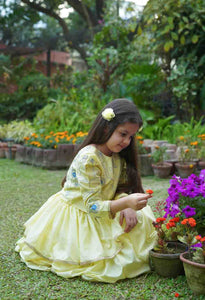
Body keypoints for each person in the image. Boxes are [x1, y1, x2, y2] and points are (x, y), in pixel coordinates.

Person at [15, 98, 157, 283]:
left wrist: (127, 204)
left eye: (130, 136)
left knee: (140, 222)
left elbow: (118, 187)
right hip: (83, 213)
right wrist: (124, 203)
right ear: (106, 128)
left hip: (108, 207)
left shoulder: (116, 155)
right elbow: (93, 207)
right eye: (123, 134)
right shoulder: (89, 158)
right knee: (113, 260)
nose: (126, 142)